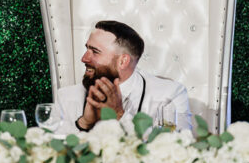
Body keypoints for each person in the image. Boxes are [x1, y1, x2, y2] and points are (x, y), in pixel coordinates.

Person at [55, 19, 192, 133]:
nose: (84, 58)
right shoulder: (67, 97)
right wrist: (84, 123)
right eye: (87, 49)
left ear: (123, 61)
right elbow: (54, 155)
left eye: (95, 52)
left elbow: (177, 148)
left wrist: (120, 115)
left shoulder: (170, 95)